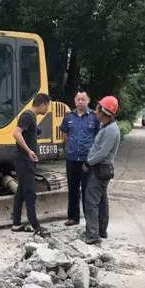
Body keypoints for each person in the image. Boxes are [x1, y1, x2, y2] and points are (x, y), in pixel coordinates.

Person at [81, 95, 121, 245]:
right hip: (101, 169)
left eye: (97, 109)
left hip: (100, 169)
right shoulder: (107, 127)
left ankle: (92, 235)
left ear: (104, 112)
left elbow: (102, 153)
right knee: (102, 201)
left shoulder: (110, 130)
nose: (95, 112)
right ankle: (101, 231)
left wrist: (88, 163)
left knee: (91, 202)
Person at [11, 93, 51, 237]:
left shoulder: (31, 117)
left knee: (21, 192)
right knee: (30, 193)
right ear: (43, 104)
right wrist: (29, 151)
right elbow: (16, 134)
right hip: (24, 160)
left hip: (24, 160)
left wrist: (36, 132)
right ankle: (36, 226)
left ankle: (16, 224)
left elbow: (28, 132)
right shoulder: (28, 115)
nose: (48, 109)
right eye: (48, 106)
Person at [59, 92, 100, 226]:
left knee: (88, 190)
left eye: (83, 99)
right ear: (75, 101)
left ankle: (90, 220)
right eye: (78, 99)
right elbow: (65, 135)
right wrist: (66, 150)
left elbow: (98, 138)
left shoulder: (94, 117)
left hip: (87, 160)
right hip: (71, 159)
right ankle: (73, 217)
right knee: (73, 189)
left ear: (88, 101)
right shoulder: (68, 117)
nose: (81, 101)